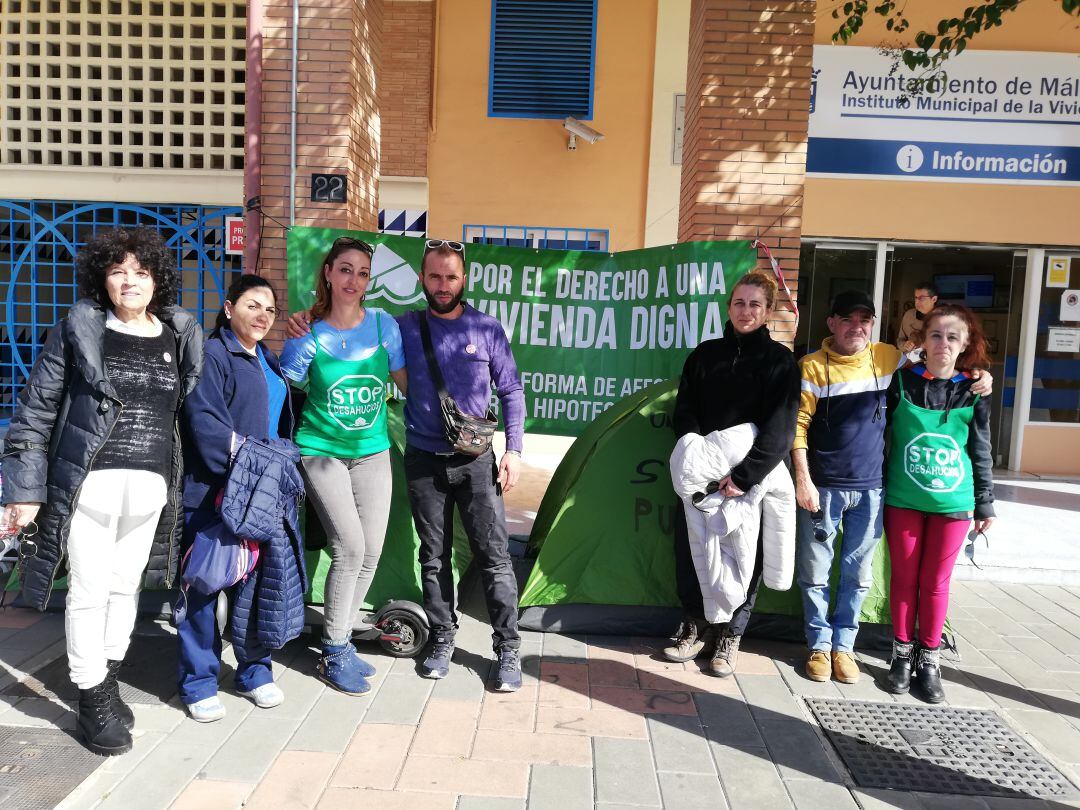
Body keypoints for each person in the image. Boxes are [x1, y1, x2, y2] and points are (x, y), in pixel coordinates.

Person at [0, 227, 201, 756]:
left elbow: (184, 413)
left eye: (140, 271)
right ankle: (92, 697)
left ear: (157, 278)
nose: (129, 281)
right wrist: (24, 490)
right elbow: (37, 410)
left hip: (150, 486)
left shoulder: (176, 333)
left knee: (124, 589)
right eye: (118, 271)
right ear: (102, 279)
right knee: (88, 592)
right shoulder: (80, 329)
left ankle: (105, 680)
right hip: (91, 483)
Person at [794, 291, 992, 686]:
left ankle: (848, 648)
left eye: (864, 319)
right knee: (817, 573)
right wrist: (803, 479)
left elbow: (945, 373)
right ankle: (822, 644)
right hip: (833, 488)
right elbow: (797, 423)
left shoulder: (890, 360)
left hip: (875, 491)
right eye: (847, 318)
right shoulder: (820, 367)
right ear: (831, 323)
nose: (856, 326)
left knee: (860, 576)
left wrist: (981, 374)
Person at [279, 237, 407, 696]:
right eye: (346, 270)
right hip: (321, 452)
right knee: (349, 546)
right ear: (329, 274)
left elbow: (407, 385)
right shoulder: (306, 334)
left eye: (363, 273)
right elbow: (280, 392)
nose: (354, 280)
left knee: (371, 549)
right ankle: (333, 650)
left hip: (373, 451)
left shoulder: (383, 326)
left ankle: (344, 639)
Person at [399, 239, 525, 691]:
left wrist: (514, 450)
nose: (443, 285)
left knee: (494, 558)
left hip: (477, 463)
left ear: (464, 278)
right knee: (432, 557)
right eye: (435, 276)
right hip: (423, 461)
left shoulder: (487, 328)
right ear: (422, 278)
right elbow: (349, 332)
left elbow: (511, 390)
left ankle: (508, 648)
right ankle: (442, 636)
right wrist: (305, 320)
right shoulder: (404, 327)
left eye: (451, 276)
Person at [664, 271, 800, 677]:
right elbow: (684, 411)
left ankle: (731, 633)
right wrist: (697, 457)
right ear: (728, 307)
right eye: (739, 303)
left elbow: (780, 430)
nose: (745, 311)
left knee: (744, 555)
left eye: (755, 304)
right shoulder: (704, 355)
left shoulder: (780, 363)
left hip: (747, 482)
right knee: (692, 553)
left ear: (768, 311)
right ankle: (696, 623)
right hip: (703, 478)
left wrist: (743, 477)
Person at [177, 275, 297, 721]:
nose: (263, 316)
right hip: (217, 493)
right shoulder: (214, 355)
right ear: (229, 309)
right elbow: (205, 423)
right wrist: (252, 462)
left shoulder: (267, 358)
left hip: (264, 494)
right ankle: (199, 682)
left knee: (256, 587)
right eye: (252, 305)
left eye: (270, 309)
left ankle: (254, 672)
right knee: (204, 585)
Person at [883, 304, 995, 703]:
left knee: (935, 584)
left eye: (952, 337)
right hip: (903, 499)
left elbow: (981, 449)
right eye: (935, 335)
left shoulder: (973, 389)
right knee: (904, 579)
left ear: (965, 345)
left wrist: (985, 504)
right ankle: (900, 655)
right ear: (922, 341)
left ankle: (929, 660)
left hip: (954, 504)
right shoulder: (900, 383)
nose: (943, 343)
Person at [895, 281, 938, 352]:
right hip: (910, 361)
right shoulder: (908, 315)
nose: (917, 302)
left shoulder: (942, 319)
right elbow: (900, 340)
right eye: (916, 298)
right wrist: (905, 345)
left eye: (921, 298)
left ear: (934, 299)